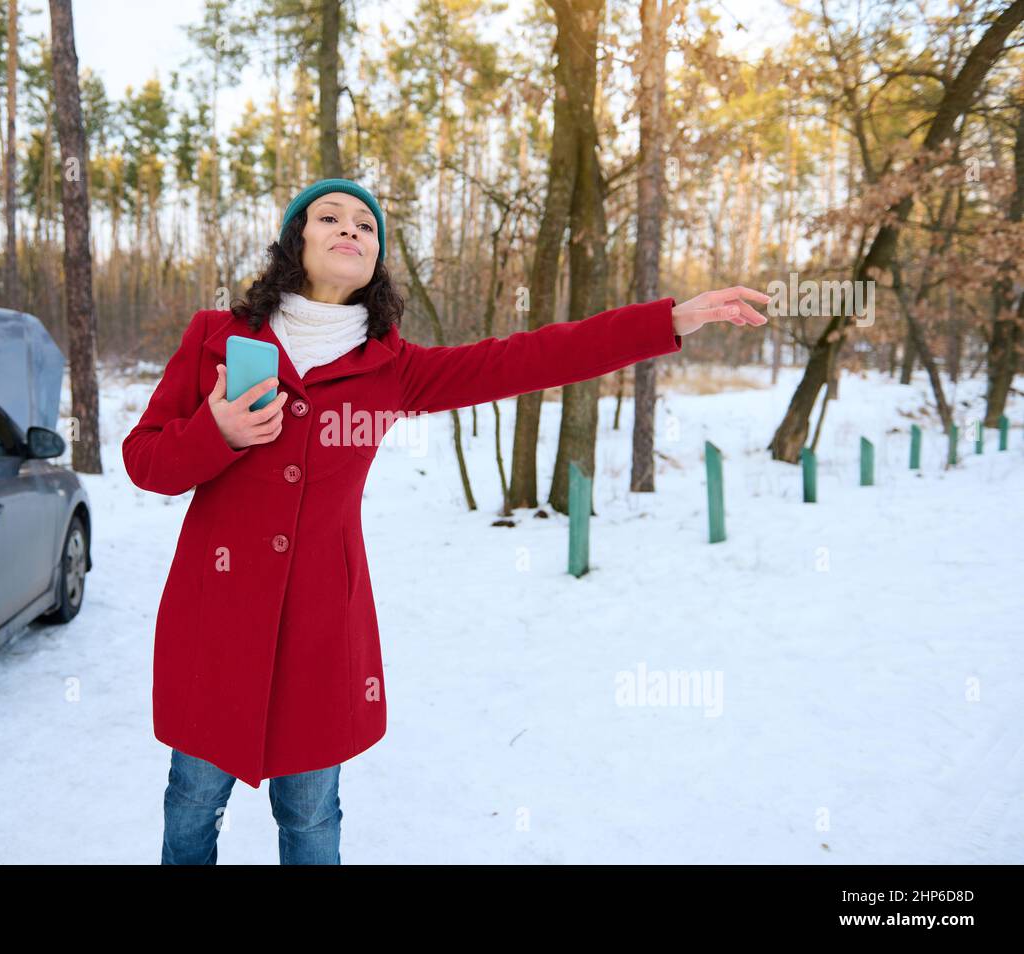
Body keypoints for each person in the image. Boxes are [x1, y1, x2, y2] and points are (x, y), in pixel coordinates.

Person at [122, 177, 770, 865]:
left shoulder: (390, 369)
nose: (351, 230)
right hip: (214, 626)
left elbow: (530, 357)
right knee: (192, 802)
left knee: (310, 817)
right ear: (297, 241)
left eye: (366, 227)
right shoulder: (214, 339)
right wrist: (215, 432)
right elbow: (144, 462)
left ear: (376, 258)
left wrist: (666, 320)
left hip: (319, 637)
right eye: (330, 218)